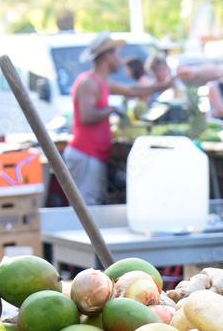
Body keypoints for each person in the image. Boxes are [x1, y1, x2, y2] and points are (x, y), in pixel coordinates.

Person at [63, 32, 173, 205]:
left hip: (94, 155)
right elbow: (87, 116)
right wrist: (112, 109)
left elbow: (133, 90)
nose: (121, 60)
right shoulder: (89, 83)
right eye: (118, 55)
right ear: (108, 57)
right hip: (85, 154)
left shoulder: (103, 82)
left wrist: (163, 85)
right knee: (86, 206)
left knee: (90, 204)